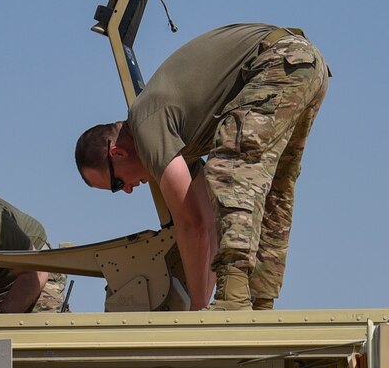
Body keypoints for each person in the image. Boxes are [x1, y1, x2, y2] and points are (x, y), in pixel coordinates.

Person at [73, 23, 328, 312]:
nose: (129, 190)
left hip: (278, 62)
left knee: (230, 166)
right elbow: (205, 222)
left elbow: (190, 223)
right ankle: (259, 301)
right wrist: (200, 305)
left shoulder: (146, 126)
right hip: (302, 66)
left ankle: (234, 297)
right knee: (272, 191)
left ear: (117, 152)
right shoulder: (176, 140)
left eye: (118, 184)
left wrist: (197, 309)